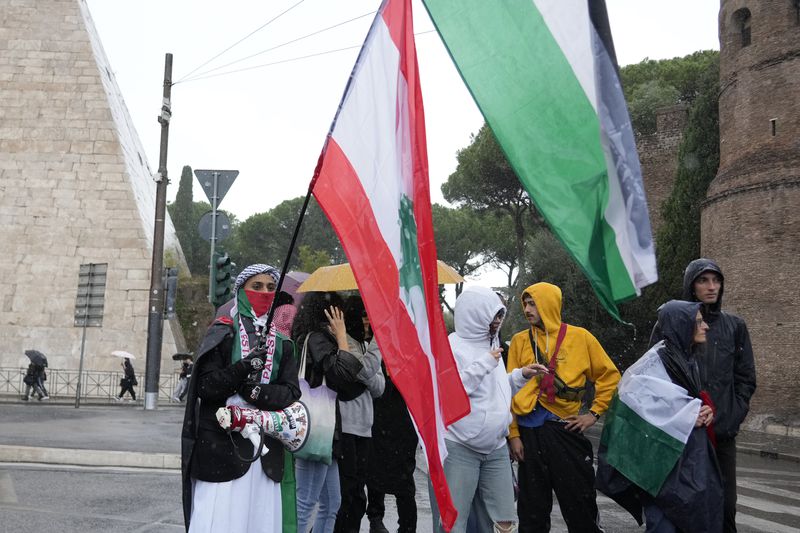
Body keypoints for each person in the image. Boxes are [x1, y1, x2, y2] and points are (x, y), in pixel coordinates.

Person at [180, 264, 301, 533]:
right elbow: (205, 387)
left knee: (261, 521)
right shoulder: (223, 332)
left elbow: (291, 392)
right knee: (221, 522)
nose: (265, 293)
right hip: (222, 452)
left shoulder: (282, 342)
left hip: (266, 453)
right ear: (241, 291)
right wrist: (244, 367)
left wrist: (255, 392)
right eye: (256, 287)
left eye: (271, 288)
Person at [430, 286, 548, 533]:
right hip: (459, 447)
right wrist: (483, 364)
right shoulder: (451, 346)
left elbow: (495, 390)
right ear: (474, 314)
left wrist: (520, 376)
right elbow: (450, 393)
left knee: (504, 522)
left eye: (499, 315)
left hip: (495, 447)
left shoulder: (492, 345)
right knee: (453, 522)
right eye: (493, 315)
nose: (497, 321)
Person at [650, 259, 756, 533]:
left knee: (725, 508)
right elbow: (655, 376)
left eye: (716, 280)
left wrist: (731, 418)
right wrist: (680, 416)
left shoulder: (735, 326)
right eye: (703, 280)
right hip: (683, 435)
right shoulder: (673, 322)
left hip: (721, 435)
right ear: (691, 286)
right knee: (685, 506)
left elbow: (745, 378)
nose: (711, 287)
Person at [599, 300, 723, 532]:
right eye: (698, 322)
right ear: (681, 326)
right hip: (663, 463)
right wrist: (686, 415)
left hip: (687, 459)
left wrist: (705, 410)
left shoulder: (688, 359)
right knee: (664, 524)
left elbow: (685, 399)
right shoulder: (656, 363)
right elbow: (634, 401)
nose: (705, 326)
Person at [506, 282, 620, 532]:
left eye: (533, 303)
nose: (527, 309)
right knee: (532, 513)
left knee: (580, 507)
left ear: (549, 303)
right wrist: (513, 435)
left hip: (565, 431)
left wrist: (593, 414)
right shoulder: (519, 341)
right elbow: (508, 393)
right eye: (525, 303)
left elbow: (609, 376)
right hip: (528, 435)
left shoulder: (580, 337)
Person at [291, 291, 366, 533]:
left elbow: (345, 384)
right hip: (317, 432)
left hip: (325, 434)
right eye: (339, 311)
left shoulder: (319, 339)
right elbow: (342, 375)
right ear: (331, 313)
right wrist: (343, 338)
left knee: (332, 503)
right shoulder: (317, 339)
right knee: (306, 504)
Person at [334, 296, 385, 533]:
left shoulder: (364, 346)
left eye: (369, 317)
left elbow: (379, 386)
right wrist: (380, 341)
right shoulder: (345, 344)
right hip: (345, 428)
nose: (367, 322)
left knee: (358, 495)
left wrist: (365, 373)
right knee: (348, 493)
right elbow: (366, 371)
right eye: (363, 316)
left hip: (365, 428)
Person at [365, 362, 418, 533]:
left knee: (405, 478)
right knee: (374, 467)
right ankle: (375, 519)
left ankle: (407, 527)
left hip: (405, 412)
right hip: (379, 405)